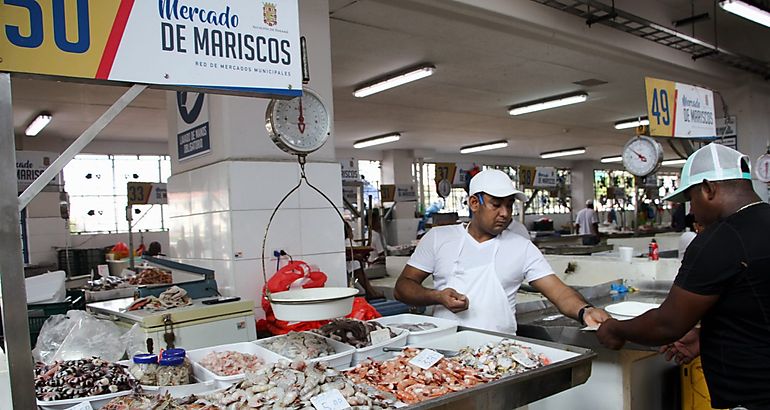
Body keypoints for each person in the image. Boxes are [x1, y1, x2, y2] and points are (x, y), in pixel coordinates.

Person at [597, 144, 770, 409]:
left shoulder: (718, 240)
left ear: (708, 188)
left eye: (691, 199)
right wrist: (707, 336)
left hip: (754, 397)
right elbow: (756, 305)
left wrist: (614, 328)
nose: (691, 212)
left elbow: (666, 324)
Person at [394, 169, 610, 334]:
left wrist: (585, 311)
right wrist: (437, 296)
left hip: (500, 349)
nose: (505, 213)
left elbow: (560, 293)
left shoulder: (522, 247)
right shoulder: (439, 238)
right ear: (473, 203)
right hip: (445, 347)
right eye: (496, 205)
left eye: (509, 205)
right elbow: (403, 287)